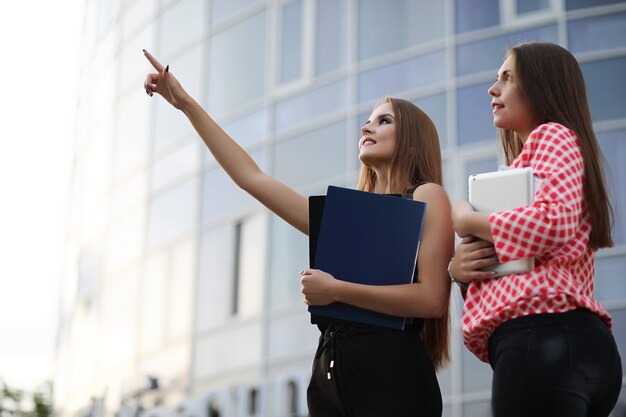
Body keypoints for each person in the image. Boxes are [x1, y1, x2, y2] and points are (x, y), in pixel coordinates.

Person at [143, 50, 454, 416]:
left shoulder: (426, 196)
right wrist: (184, 104)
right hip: (331, 374)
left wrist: (335, 290)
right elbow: (251, 177)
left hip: (390, 377)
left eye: (383, 121)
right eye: (368, 121)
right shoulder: (346, 219)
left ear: (412, 142)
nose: (366, 127)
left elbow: (432, 298)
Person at [449, 42, 622, 417]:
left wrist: (466, 220)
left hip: (542, 339)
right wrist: (460, 272)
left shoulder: (553, 136)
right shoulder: (532, 165)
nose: (492, 89)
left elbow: (552, 222)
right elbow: (530, 257)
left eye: (507, 77)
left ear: (542, 86)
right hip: (564, 344)